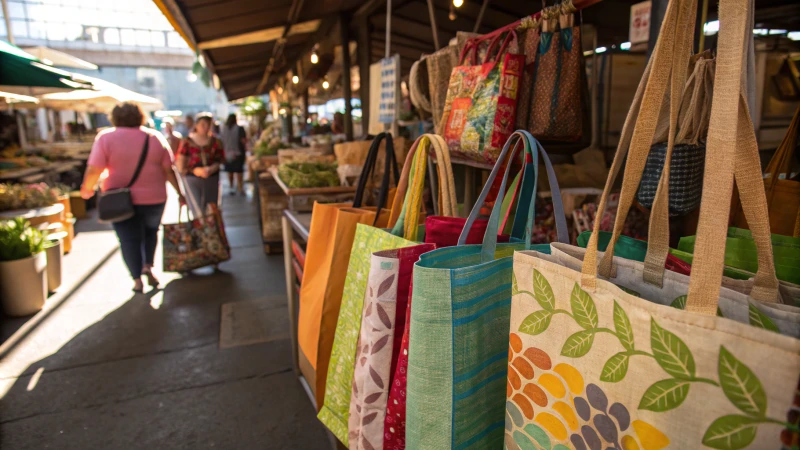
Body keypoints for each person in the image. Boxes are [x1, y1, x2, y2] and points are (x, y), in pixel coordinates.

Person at [80, 102, 183, 293]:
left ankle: (137, 279)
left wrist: (87, 189)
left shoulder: (105, 138)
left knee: (128, 239)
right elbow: (169, 170)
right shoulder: (154, 137)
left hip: (118, 200)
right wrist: (180, 193)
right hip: (155, 197)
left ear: (115, 117)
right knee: (151, 232)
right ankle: (148, 266)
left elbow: (95, 169)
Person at [176, 113, 224, 209]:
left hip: (211, 178)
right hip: (192, 178)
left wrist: (211, 169)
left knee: (212, 207)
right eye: (203, 124)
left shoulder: (216, 142)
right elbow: (181, 162)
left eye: (208, 124)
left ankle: (212, 224)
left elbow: (220, 160)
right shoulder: (187, 142)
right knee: (197, 207)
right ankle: (200, 223)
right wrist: (194, 171)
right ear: (196, 125)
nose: (205, 127)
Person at [220, 113, 246, 195]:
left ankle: (231, 187)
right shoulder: (239, 128)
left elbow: (221, 141)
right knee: (239, 171)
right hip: (238, 153)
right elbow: (243, 140)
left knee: (230, 171)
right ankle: (240, 187)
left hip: (227, 153)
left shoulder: (223, 129)